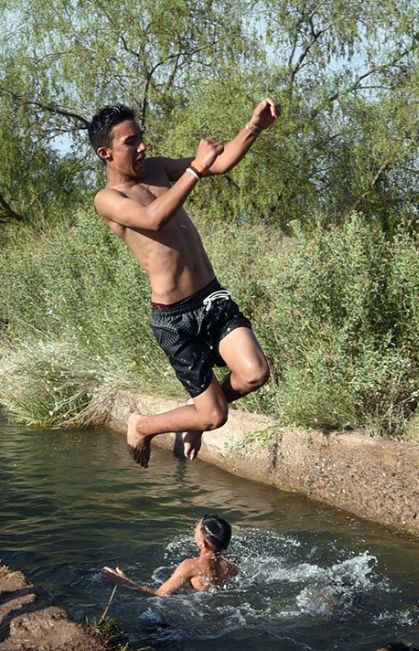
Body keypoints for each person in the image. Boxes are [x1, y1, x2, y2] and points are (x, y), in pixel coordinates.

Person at [88, 98, 279, 467]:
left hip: (211, 297)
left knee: (255, 373)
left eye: (141, 137)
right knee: (215, 417)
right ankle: (145, 425)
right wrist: (194, 167)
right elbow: (153, 218)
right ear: (105, 153)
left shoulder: (158, 169)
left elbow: (218, 164)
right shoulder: (107, 199)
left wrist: (254, 127)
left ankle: (196, 414)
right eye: (130, 142)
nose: (142, 146)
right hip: (175, 318)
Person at [102, 514, 236, 596]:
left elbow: (158, 594)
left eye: (197, 528)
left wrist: (125, 581)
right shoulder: (231, 564)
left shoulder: (190, 566)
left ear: (204, 543)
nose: (194, 529)